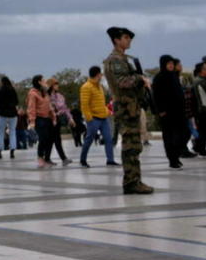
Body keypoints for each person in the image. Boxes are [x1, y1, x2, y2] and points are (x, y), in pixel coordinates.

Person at [103, 27, 153, 194]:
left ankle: (133, 180)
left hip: (131, 105)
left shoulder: (123, 59)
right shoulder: (115, 60)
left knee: (134, 145)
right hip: (125, 107)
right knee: (130, 146)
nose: (128, 40)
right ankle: (132, 181)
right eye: (125, 37)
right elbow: (122, 82)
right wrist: (140, 79)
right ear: (117, 40)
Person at [152, 54, 190, 168]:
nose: (171, 66)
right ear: (163, 64)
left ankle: (176, 155)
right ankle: (173, 160)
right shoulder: (159, 77)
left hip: (179, 112)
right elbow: (156, 96)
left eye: (172, 64)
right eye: (168, 64)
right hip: (167, 113)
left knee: (185, 133)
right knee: (169, 137)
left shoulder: (174, 76)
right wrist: (161, 110)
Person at [79, 66, 117, 167]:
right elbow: (84, 105)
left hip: (103, 118)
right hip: (93, 119)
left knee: (108, 139)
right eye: (101, 74)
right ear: (97, 74)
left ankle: (110, 160)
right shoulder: (86, 87)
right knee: (89, 139)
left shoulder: (100, 87)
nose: (102, 75)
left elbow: (101, 103)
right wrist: (89, 119)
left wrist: (108, 112)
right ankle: (83, 159)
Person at [0, 75, 18, 159]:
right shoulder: (13, 90)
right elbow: (17, 101)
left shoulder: (0, 91)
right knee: (12, 133)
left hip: (3, 114)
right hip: (13, 114)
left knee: (0, 133)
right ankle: (12, 152)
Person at [47, 78, 72, 165]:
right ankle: (63, 158)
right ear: (51, 86)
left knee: (53, 139)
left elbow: (65, 108)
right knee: (54, 139)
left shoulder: (60, 96)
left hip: (57, 118)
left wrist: (70, 118)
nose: (58, 86)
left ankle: (48, 158)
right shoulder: (47, 96)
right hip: (50, 119)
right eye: (56, 84)